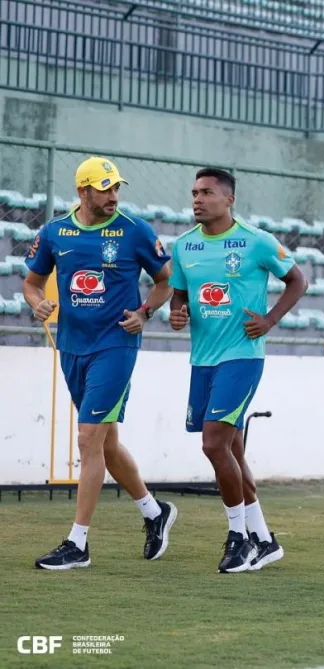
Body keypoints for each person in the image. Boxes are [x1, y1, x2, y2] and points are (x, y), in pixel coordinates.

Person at [24, 156, 177, 569]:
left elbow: (166, 279)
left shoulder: (133, 230)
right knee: (106, 444)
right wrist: (38, 304)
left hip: (116, 346)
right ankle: (153, 512)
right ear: (83, 191)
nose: (114, 196)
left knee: (88, 438)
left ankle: (78, 543)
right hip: (72, 347)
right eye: (105, 188)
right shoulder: (55, 232)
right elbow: (32, 283)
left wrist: (145, 312)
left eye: (116, 188)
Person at [168, 168, 308, 573]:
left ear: (229, 199)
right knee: (231, 450)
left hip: (243, 355)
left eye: (207, 192)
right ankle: (264, 539)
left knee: (214, 444)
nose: (197, 198)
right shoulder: (185, 247)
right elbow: (179, 294)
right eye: (194, 192)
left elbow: (297, 281)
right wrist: (178, 313)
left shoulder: (256, 241)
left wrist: (268, 320)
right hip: (203, 359)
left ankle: (238, 538)